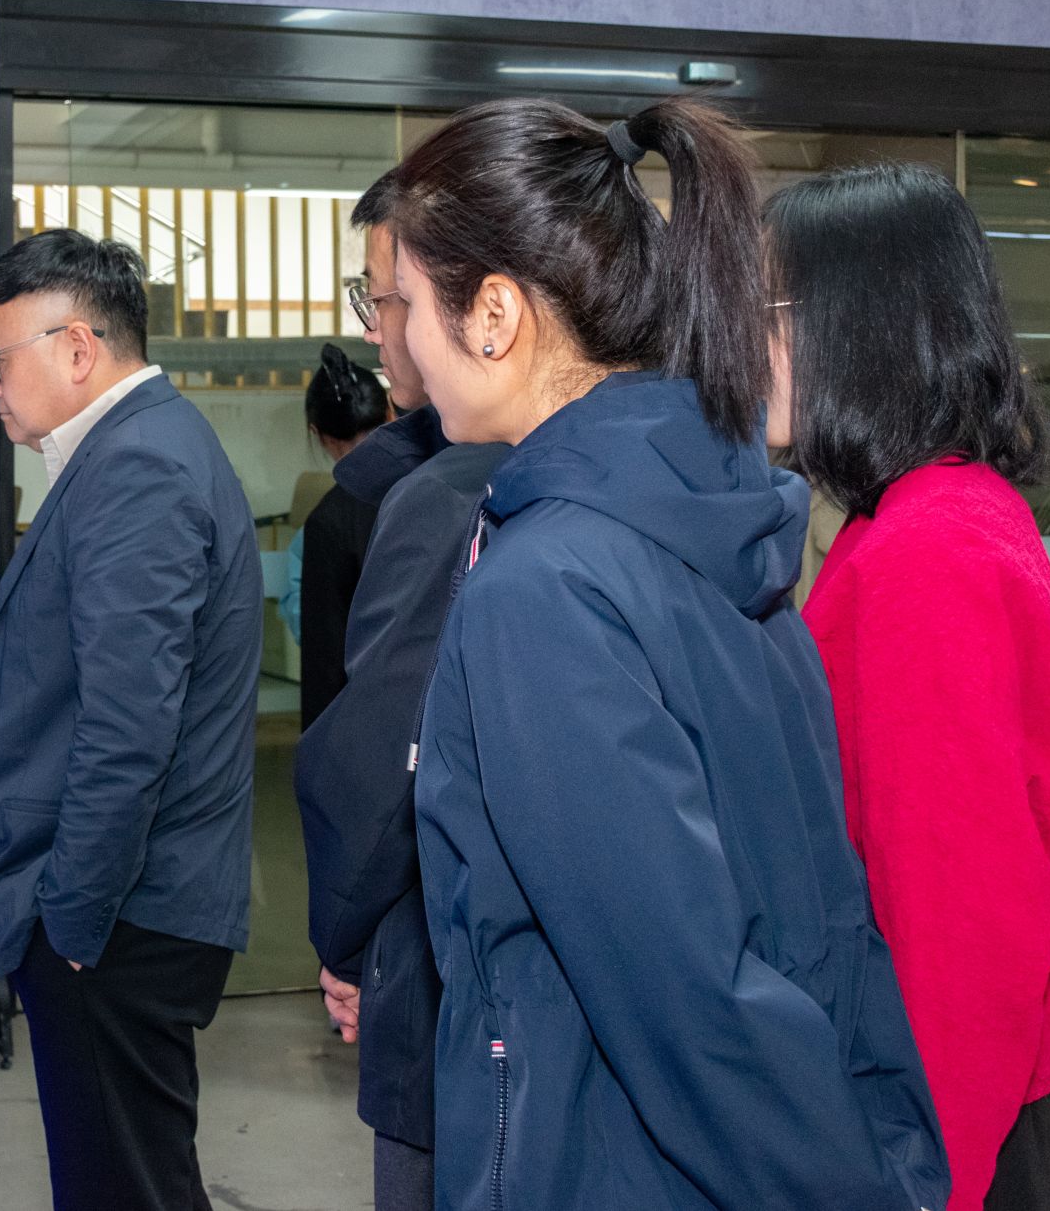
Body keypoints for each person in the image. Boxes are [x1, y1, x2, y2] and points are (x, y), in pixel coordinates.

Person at [395, 99, 950, 1210]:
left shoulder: (545, 585)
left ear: (494, 314)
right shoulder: (716, 515)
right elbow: (825, 917)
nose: (399, 338)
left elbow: (677, 989)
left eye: (403, 301)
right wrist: (880, 1151)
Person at [765, 162, 1050, 1211]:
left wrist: (928, 1185)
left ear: (854, 328)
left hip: (951, 1130)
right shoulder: (941, 510)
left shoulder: (923, 555)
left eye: (767, 313)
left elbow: (963, 939)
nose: (741, 345)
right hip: (975, 1110)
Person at [0, 229, 262, 1211]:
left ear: (77, 349)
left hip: (116, 913)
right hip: (115, 903)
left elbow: (129, 727)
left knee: (124, 1188)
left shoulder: (138, 467)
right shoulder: (133, 449)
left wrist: (72, 917)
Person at [294, 169, 506, 1211]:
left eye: (391, 298)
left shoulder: (447, 497)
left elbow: (382, 767)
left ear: (487, 309)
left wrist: (344, 938)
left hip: (449, 979)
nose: (379, 330)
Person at [294, 342, 391, 729]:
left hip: (367, 722)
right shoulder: (436, 489)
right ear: (389, 411)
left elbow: (324, 662)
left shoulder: (330, 521)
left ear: (318, 435)